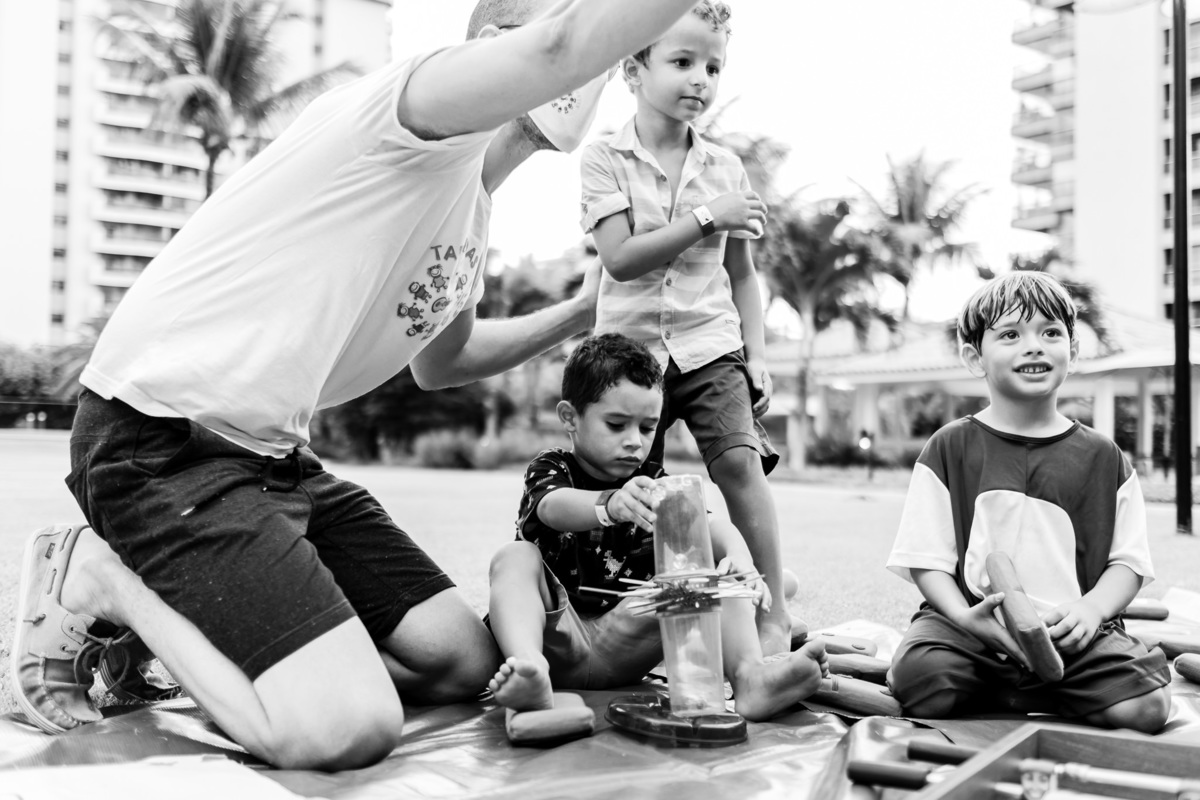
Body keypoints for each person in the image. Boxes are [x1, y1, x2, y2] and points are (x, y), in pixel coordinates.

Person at [11, 0, 710, 771]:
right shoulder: (411, 108)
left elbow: (444, 361)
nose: (594, 72)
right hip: (163, 440)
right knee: (347, 727)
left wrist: (579, 314)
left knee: (462, 661)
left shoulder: (470, 212)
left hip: (276, 464)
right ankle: (103, 579)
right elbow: (561, 48)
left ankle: (222, 637)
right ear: (490, 45)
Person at [578, 1, 790, 655]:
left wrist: (756, 356)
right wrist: (706, 216)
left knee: (739, 464)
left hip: (709, 342)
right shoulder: (603, 159)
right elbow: (620, 258)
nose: (700, 78)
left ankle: (773, 609)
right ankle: (625, 616)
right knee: (630, 488)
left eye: (713, 66)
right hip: (629, 355)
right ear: (632, 69)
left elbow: (744, 275)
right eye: (682, 61)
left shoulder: (726, 168)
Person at [486, 333, 828, 727]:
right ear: (570, 417)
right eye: (616, 425)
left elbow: (711, 523)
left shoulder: (655, 481)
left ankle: (750, 678)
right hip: (556, 640)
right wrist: (608, 505)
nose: (634, 442)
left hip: (626, 640)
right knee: (514, 557)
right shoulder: (551, 468)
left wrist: (742, 560)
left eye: (648, 427)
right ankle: (528, 670)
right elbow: (552, 508)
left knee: (714, 575)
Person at [885, 272, 1171, 733]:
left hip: (1072, 632)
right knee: (923, 682)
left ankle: (1028, 688)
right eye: (1011, 335)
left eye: (1051, 332)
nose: (1033, 346)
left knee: (1148, 707)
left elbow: (1129, 564)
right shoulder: (949, 447)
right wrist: (963, 616)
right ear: (974, 357)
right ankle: (1028, 688)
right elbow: (926, 561)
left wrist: (1092, 610)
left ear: (1073, 353)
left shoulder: (1105, 458)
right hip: (970, 629)